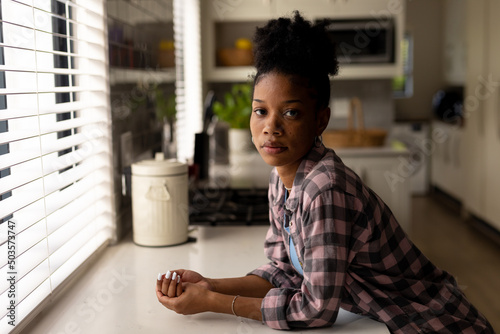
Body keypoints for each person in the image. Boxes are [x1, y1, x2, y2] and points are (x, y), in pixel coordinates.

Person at [156, 11, 494, 333]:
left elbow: (315, 310)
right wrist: (207, 284)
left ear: (321, 119)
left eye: (290, 113)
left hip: (436, 325)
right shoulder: (283, 178)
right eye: (260, 111)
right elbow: (284, 272)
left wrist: (214, 302)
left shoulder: (325, 189)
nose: (270, 127)